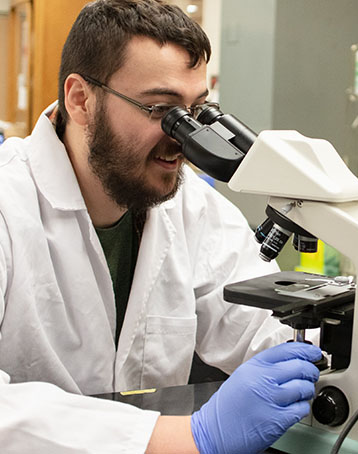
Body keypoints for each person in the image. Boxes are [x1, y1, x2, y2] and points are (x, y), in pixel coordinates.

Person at [0, 0, 322, 452]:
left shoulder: (188, 205)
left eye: (197, 112)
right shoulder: (7, 204)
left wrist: (331, 350)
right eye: (161, 110)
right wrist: (186, 438)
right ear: (80, 100)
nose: (184, 137)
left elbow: (260, 323)